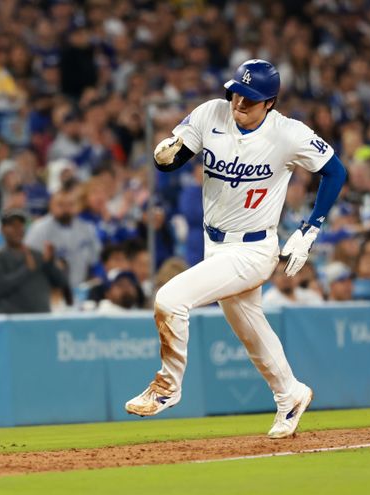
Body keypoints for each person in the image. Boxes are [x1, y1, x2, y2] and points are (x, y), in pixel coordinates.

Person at [124, 60, 347, 440]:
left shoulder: (288, 134)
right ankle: (290, 393)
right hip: (215, 243)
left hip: (255, 249)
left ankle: (168, 386)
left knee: (170, 299)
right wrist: (166, 155)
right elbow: (174, 160)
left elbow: (335, 171)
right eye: (237, 93)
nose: (240, 102)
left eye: (251, 98)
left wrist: (309, 230)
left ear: (270, 103)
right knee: (251, 330)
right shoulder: (211, 112)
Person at [0, 209, 67, 313]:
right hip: (10, 322)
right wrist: (26, 270)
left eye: (21, 225)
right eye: (12, 225)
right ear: (2, 230)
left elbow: (60, 283)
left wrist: (50, 262)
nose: (18, 229)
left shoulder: (37, 255)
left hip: (40, 319)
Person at [24, 185, 102, 287]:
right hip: (49, 290)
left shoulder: (86, 228)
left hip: (80, 288)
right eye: (60, 205)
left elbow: (95, 260)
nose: (66, 209)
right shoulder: (38, 229)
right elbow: (30, 261)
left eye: (70, 204)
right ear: (51, 205)